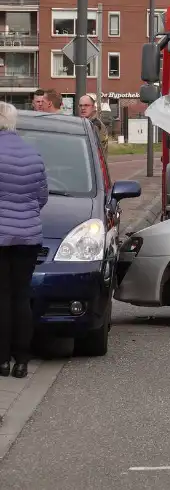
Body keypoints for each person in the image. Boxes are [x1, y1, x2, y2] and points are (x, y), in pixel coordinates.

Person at [0, 102, 48, 379]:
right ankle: (22, 362)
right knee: (21, 296)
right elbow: (42, 196)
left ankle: (2, 361)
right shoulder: (33, 154)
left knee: (2, 297)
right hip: (28, 237)